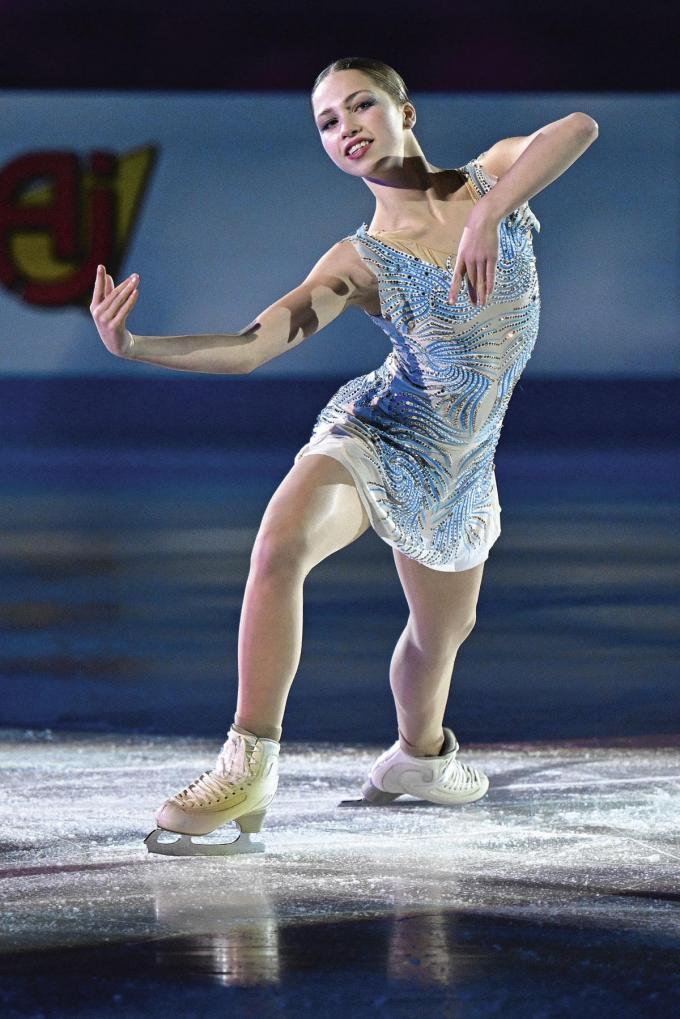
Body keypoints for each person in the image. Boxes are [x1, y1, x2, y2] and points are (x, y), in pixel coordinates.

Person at [90, 56, 598, 856]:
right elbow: (255, 344)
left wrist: (491, 212)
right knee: (281, 542)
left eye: (361, 106)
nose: (346, 128)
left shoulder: (493, 176)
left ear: (407, 112)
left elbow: (578, 128)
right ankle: (248, 758)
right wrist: (136, 345)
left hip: (462, 468)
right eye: (328, 121)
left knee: (440, 637)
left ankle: (419, 758)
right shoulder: (359, 258)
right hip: (381, 429)